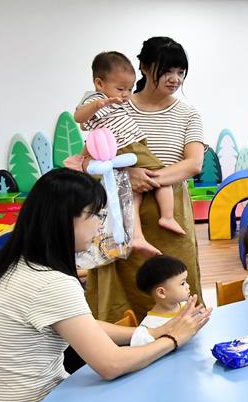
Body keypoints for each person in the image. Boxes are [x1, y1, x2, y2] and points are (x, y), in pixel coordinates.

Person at [0, 169, 210, 402]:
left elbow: (81, 324)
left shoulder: (14, 264)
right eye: (96, 215)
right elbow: (111, 365)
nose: (100, 225)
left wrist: (150, 331)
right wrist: (172, 339)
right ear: (66, 219)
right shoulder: (50, 282)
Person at [84, 37, 205, 321]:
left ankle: (183, 333)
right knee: (124, 283)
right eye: (167, 70)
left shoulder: (188, 113)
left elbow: (193, 164)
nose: (175, 79)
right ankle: (127, 337)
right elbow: (89, 159)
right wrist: (128, 175)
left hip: (169, 211)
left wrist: (147, 178)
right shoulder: (115, 107)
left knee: (177, 277)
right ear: (144, 67)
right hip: (123, 212)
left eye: (180, 72)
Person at [74, 51, 183, 257]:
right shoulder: (97, 99)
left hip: (133, 146)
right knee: (160, 177)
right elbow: (79, 117)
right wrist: (97, 105)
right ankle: (166, 217)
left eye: (130, 89)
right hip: (126, 147)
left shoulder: (118, 103)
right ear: (99, 83)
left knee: (135, 191)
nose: (125, 94)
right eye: (121, 89)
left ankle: (138, 234)